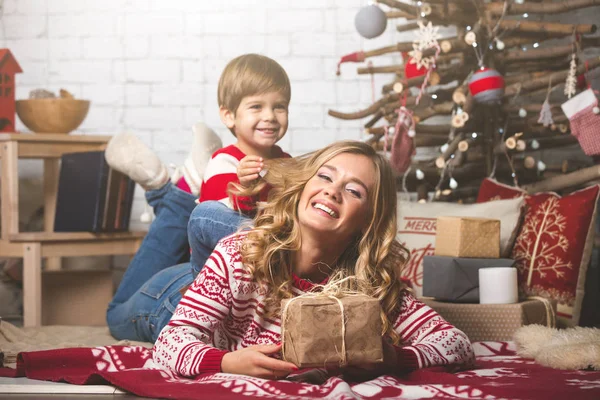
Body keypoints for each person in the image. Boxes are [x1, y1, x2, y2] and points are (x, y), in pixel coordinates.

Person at [152, 140, 475, 380]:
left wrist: (396, 359)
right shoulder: (237, 255)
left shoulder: (374, 286)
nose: (332, 191)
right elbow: (169, 343)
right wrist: (223, 362)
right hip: (164, 298)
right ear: (304, 186)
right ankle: (168, 195)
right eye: (324, 177)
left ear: (369, 219)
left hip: (208, 294)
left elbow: (456, 344)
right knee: (123, 312)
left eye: (354, 191)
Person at [105, 54, 292, 342]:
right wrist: (245, 187)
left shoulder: (287, 163)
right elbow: (211, 222)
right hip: (208, 264)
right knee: (117, 317)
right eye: (257, 107)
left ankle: (180, 187)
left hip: (240, 273)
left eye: (279, 107)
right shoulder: (226, 163)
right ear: (228, 115)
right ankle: (172, 192)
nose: (270, 116)